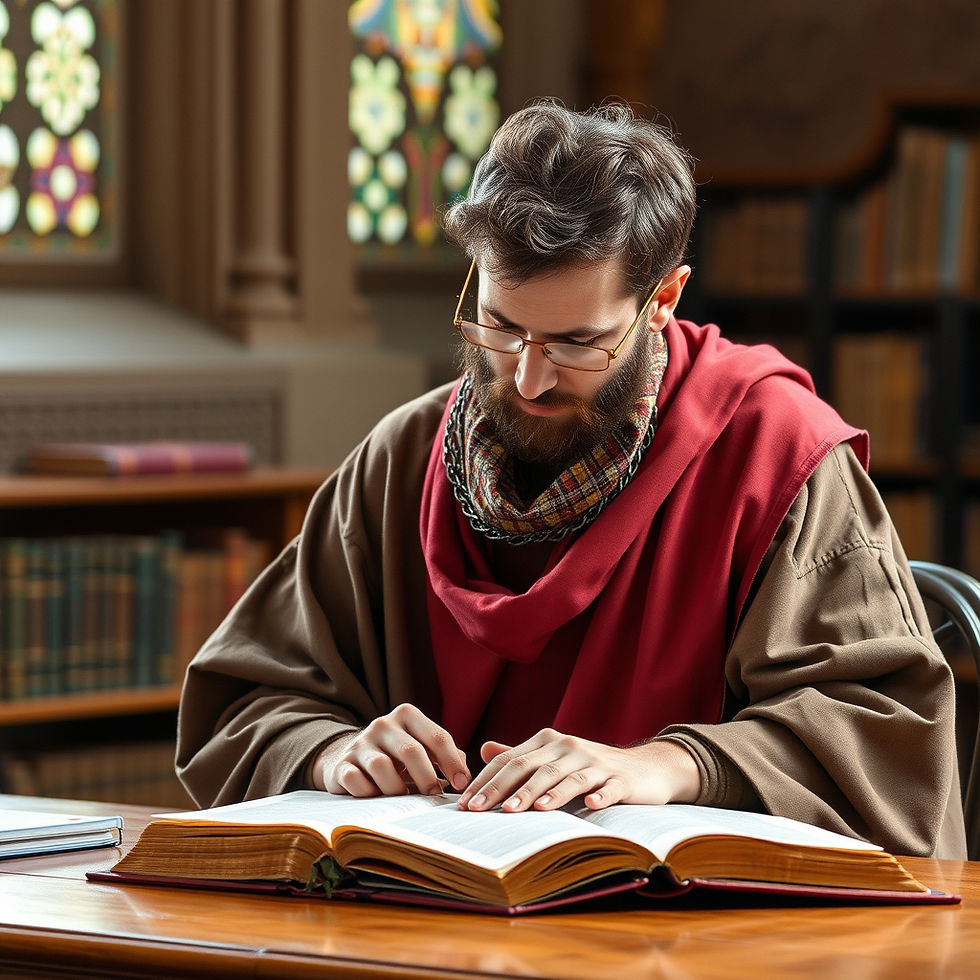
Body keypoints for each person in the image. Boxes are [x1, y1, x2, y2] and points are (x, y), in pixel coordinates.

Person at [176, 99, 966, 859]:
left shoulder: (775, 458)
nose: (525, 380)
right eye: (501, 325)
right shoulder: (406, 455)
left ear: (664, 299)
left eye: (576, 343)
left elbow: (885, 736)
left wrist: (670, 766)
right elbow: (245, 699)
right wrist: (333, 752)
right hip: (423, 927)